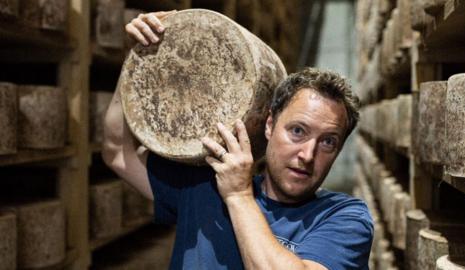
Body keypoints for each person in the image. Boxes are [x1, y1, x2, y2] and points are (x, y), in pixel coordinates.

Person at [103, 11, 373, 270]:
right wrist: (137, 59)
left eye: (328, 142)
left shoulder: (344, 218)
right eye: (298, 131)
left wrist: (238, 195)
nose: (308, 154)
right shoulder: (204, 188)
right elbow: (116, 151)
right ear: (270, 125)